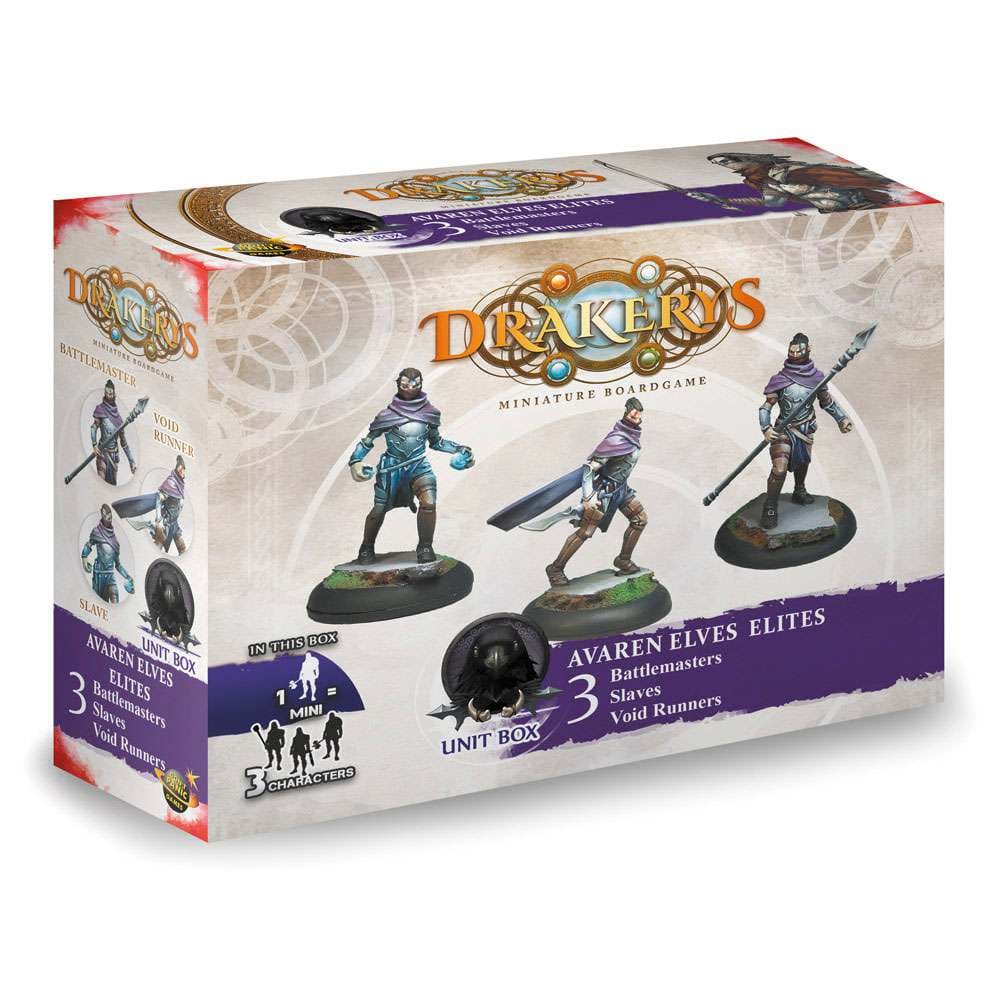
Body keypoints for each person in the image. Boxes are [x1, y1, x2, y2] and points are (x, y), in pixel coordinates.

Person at [349, 368, 474, 564]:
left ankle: (425, 546)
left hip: (419, 466)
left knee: (429, 503)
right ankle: (366, 547)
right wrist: (355, 461)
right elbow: (368, 440)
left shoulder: (430, 413)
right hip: (392, 468)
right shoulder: (387, 415)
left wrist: (459, 449)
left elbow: (436, 442)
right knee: (379, 509)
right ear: (398, 384)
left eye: (415, 384)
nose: (410, 388)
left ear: (421, 384)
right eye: (405, 384)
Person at [759, 333, 853, 528]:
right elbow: (765, 407)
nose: (794, 355)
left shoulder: (817, 379)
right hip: (783, 430)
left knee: (803, 461)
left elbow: (827, 403)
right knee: (779, 469)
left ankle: (799, 490)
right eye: (791, 352)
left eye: (798, 352)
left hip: (806, 429)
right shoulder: (780, 379)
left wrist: (842, 419)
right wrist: (766, 428)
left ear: (808, 350)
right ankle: (770, 505)